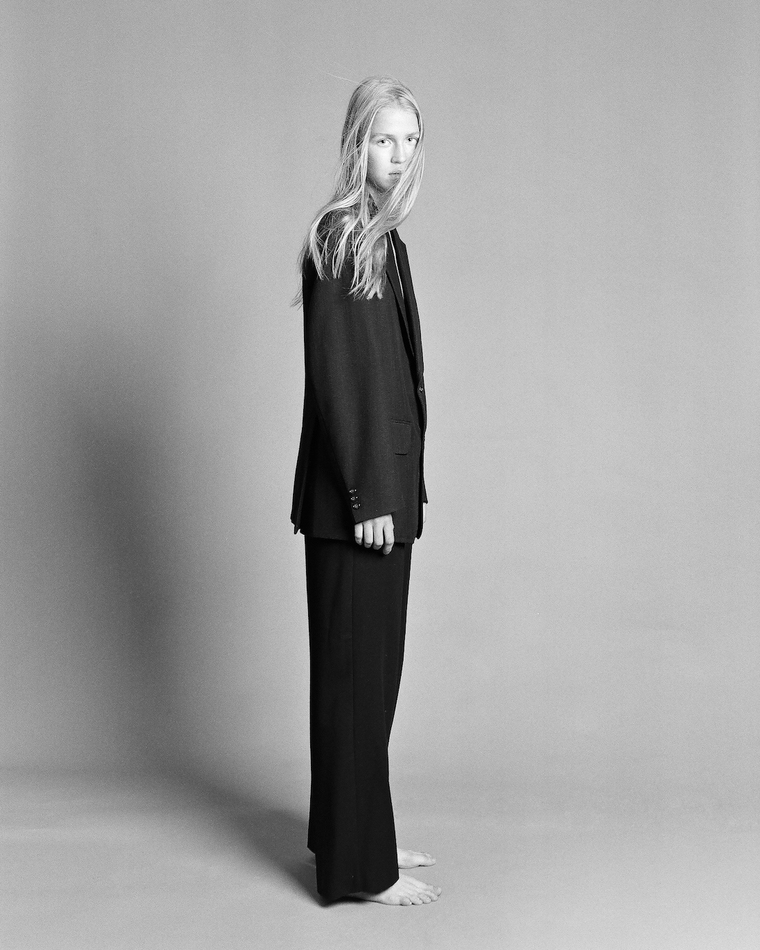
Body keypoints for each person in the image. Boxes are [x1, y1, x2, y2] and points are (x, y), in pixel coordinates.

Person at [290, 77, 440, 906]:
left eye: (410, 140)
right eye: (385, 139)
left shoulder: (384, 240)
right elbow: (340, 378)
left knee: (368, 681)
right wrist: (367, 497)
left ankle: (354, 833)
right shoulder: (341, 235)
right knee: (356, 682)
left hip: (385, 497)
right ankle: (360, 868)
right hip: (361, 505)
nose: (399, 155)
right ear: (357, 143)